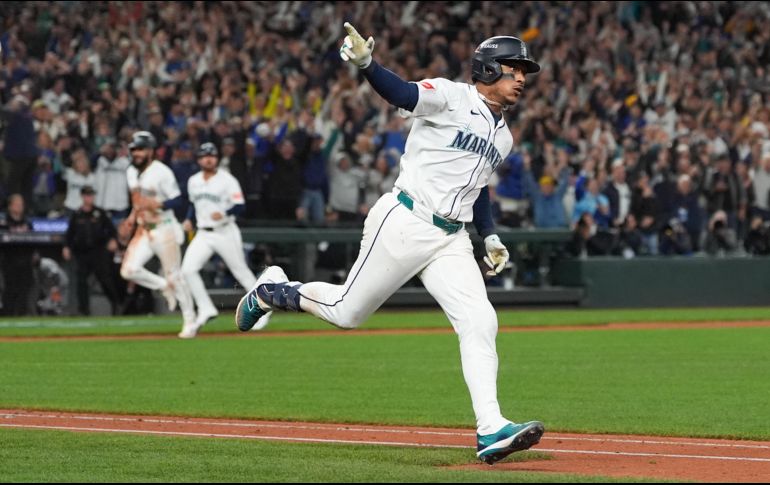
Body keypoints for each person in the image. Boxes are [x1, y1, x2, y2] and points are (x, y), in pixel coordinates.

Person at [235, 23, 544, 465]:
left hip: (451, 239)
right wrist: (366, 65)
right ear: (489, 67)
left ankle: (490, 428)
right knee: (347, 313)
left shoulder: (504, 135)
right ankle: (272, 291)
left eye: (523, 71)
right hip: (405, 220)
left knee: (480, 320)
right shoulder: (453, 96)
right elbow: (402, 93)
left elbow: (479, 185)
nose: (521, 77)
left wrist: (489, 233)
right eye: (514, 68)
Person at [180, 143, 268, 338]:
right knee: (187, 270)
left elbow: (240, 205)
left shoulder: (227, 180)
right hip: (203, 232)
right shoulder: (193, 181)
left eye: (211, 155)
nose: (208, 159)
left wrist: (225, 213)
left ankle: (261, 309)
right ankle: (206, 309)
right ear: (199, 160)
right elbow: (193, 204)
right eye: (204, 156)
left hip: (225, 231)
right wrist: (188, 219)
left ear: (217, 158)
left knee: (240, 271)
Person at [119, 131, 197, 338]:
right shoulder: (131, 172)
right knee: (129, 271)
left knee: (175, 275)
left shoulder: (161, 172)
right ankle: (164, 286)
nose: (136, 153)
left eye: (140, 149)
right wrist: (130, 218)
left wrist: (159, 203)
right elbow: (138, 201)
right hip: (144, 229)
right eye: (134, 149)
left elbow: (179, 199)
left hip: (165, 228)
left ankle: (190, 320)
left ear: (151, 151)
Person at [62, 185, 121, 315]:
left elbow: (112, 230)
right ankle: (84, 310)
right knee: (81, 281)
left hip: (98, 251)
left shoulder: (100, 213)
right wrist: (67, 247)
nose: (90, 198)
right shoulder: (77, 215)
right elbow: (69, 234)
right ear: (82, 197)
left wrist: (113, 240)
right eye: (87, 195)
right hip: (82, 252)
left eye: (92, 195)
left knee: (105, 279)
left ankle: (116, 304)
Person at [0, 194, 35, 315]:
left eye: (21, 204)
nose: (20, 206)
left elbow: (34, 240)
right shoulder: (3, 222)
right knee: (10, 289)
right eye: (17, 204)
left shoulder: (27, 222)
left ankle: (21, 315)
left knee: (24, 289)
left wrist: (34, 255)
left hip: (25, 260)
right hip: (10, 259)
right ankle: (7, 315)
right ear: (10, 206)